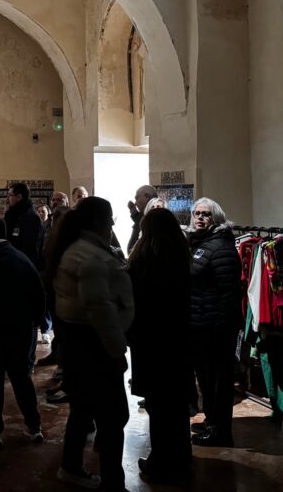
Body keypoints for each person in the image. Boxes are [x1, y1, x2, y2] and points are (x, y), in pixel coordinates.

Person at [48, 197, 133, 492]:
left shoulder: (75, 249)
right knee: (113, 418)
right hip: (95, 346)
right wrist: (117, 350)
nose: (112, 224)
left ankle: (70, 466)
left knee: (82, 409)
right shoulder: (91, 258)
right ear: (97, 221)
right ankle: (113, 482)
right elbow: (100, 311)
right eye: (110, 218)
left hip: (79, 345)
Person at [128, 207, 192, 482]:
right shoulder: (181, 257)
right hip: (177, 340)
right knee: (176, 404)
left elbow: (133, 304)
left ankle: (161, 462)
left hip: (150, 342)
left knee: (158, 405)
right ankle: (181, 459)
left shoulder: (142, 262)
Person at [0, 216, 47, 448]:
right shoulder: (20, 259)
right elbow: (38, 293)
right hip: (18, 331)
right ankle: (34, 426)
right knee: (22, 378)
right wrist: (36, 322)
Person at [187, 197, 241, 447]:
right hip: (201, 326)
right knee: (207, 381)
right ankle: (212, 422)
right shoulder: (201, 243)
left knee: (218, 382)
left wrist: (220, 329)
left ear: (216, 218)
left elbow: (229, 294)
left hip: (215, 329)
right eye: (197, 213)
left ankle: (220, 431)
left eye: (206, 214)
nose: (200, 218)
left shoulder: (220, 247)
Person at [4, 182, 45, 269]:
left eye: (10, 195)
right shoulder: (14, 215)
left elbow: (30, 250)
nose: (7, 199)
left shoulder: (32, 218)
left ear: (19, 197)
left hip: (22, 267)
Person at [126, 185, 159, 254]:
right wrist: (134, 213)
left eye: (137, 198)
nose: (135, 203)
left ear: (147, 197)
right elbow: (142, 223)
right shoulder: (152, 211)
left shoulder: (156, 213)